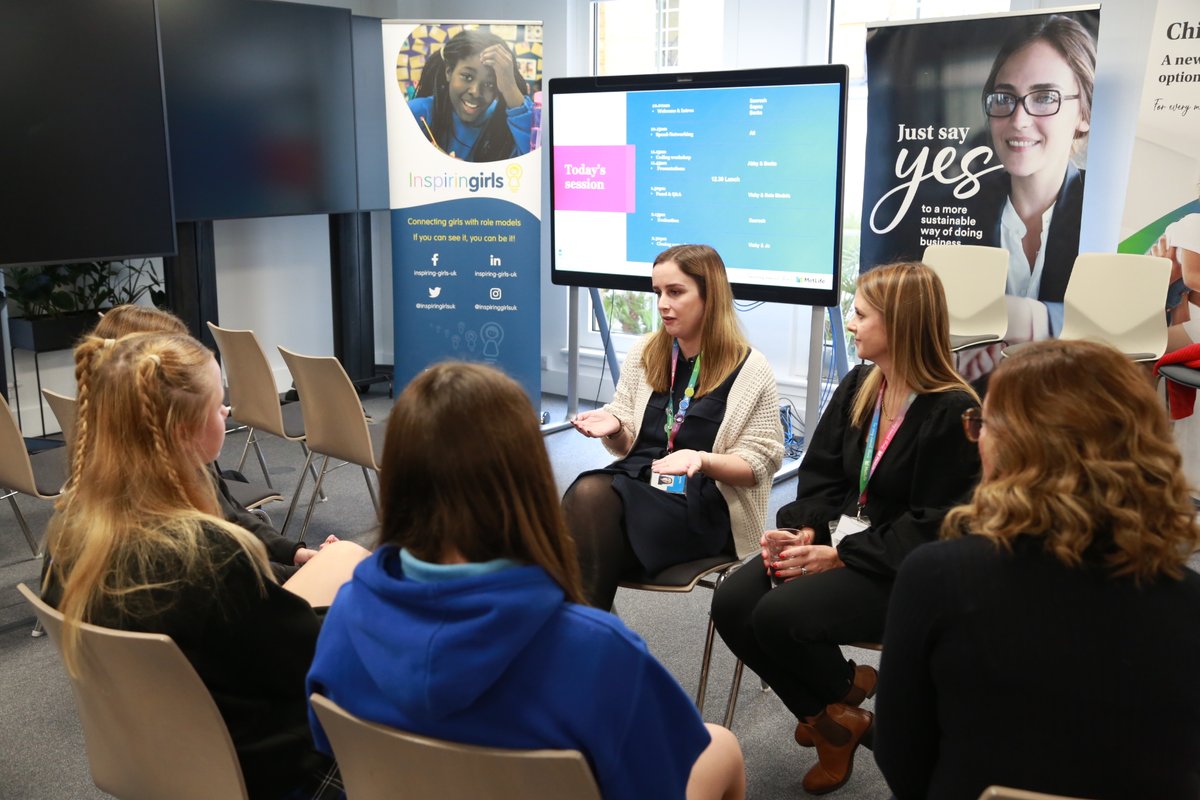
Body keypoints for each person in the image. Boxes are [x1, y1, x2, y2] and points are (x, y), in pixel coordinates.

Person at [306, 361, 747, 800]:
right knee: (722, 747)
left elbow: (330, 749)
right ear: (528, 481)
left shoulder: (345, 615)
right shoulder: (599, 654)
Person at [43, 332, 368, 799]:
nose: (228, 412)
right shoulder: (207, 556)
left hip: (167, 759)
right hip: (270, 768)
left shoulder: (68, 538)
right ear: (184, 432)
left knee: (343, 568)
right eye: (219, 405)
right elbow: (310, 661)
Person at [875, 339, 1200, 800]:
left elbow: (899, 756)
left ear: (1018, 447)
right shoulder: (1190, 601)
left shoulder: (937, 577)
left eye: (982, 423)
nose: (977, 438)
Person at [711, 261, 981, 795]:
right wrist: (806, 533)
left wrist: (840, 555)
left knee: (777, 615)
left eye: (860, 314)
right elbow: (822, 476)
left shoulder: (953, 410)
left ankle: (841, 713)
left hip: (901, 570)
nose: (850, 324)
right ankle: (835, 716)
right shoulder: (861, 384)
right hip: (841, 545)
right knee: (733, 601)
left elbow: (939, 524)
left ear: (900, 324)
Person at [562, 244, 784, 610]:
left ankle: (588, 634)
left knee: (584, 515)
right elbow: (628, 443)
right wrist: (615, 427)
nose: (663, 304)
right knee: (581, 513)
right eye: (658, 293)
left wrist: (702, 459)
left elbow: (758, 465)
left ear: (710, 296)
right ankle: (591, 632)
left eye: (675, 292)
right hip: (639, 481)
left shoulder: (749, 368)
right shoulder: (647, 351)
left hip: (700, 502)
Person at [90, 304, 336, 580]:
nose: (227, 410)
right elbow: (237, 574)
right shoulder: (179, 531)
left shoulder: (117, 478)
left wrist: (296, 554)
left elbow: (231, 517)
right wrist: (310, 572)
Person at [977, 14, 1096, 308]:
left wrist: (1039, 321)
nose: (1019, 120)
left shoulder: (1107, 215)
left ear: (1084, 113)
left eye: (1044, 97)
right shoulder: (954, 206)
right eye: (1005, 97)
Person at [407, 29, 532, 162]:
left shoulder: (504, 126)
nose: (475, 92)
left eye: (489, 84)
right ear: (449, 72)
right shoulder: (417, 113)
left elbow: (533, 159)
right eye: (467, 77)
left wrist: (510, 87)